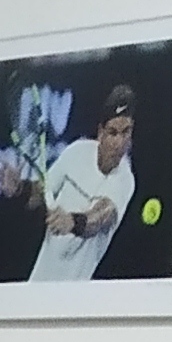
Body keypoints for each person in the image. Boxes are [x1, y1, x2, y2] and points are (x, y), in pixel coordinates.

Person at [33, 87, 138, 283]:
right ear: (101, 133)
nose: (120, 143)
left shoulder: (125, 179)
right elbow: (39, 192)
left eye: (126, 132)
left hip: (73, 294)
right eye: (113, 133)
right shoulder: (77, 151)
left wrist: (72, 222)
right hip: (37, 283)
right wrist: (19, 187)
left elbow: (98, 219)